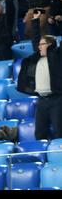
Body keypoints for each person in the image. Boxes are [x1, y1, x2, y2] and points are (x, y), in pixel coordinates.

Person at [17, 11, 62, 140]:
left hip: (57, 100)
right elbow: (35, 38)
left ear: (50, 45)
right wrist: (35, 21)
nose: (39, 47)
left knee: (60, 132)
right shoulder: (37, 58)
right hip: (41, 100)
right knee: (40, 133)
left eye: (42, 44)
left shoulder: (57, 57)